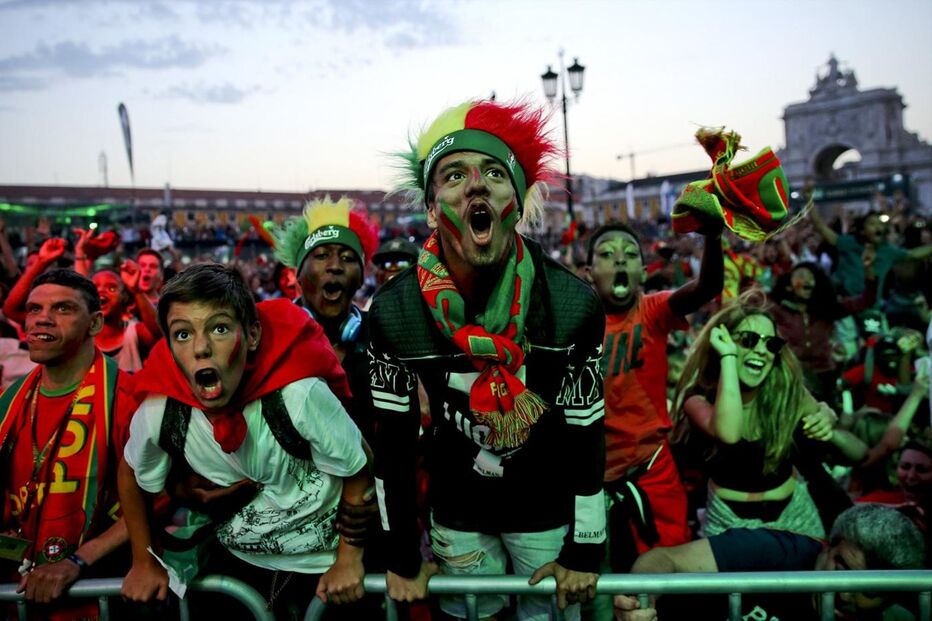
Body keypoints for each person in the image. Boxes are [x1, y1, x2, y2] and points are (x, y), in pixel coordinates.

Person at [371, 99, 606, 620]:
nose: (476, 184)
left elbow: (587, 431)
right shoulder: (396, 312)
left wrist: (586, 547)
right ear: (432, 209)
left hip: (546, 511)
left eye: (495, 174)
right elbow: (392, 445)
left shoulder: (569, 305)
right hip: (459, 515)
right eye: (454, 175)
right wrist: (403, 556)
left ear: (517, 201)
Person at [118, 264, 371, 619]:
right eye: (183, 334)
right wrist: (143, 561)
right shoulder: (162, 413)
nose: (201, 348)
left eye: (219, 328)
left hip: (324, 568)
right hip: (238, 566)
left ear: (251, 336)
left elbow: (359, 467)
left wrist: (348, 559)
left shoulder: (299, 396)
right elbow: (130, 472)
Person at [585, 221, 723, 572]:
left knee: (663, 581)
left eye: (630, 255)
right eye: (606, 254)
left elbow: (708, 286)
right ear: (588, 273)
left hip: (651, 473)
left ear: (643, 273)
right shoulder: (572, 320)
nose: (619, 261)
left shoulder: (653, 311)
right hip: (588, 480)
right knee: (595, 588)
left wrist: (713, 234)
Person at [671, 290, 865, 540]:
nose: (762, 351)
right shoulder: (698, 398)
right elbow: (729, 432)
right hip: (728, 522)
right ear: (722, 343)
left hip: (793, 518)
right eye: (749, 340)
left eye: (771, 344)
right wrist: (728, 358)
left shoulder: (786, 395)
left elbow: (860, 454)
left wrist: (827, 424)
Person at [1, 269, 133, 620]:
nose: (42, 318)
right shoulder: (9, 402)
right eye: (33, 309)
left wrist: (77, 560)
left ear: (94, 324)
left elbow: (154, 502)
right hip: (17, 596)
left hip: (97, 597)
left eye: (62, 309)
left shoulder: (127, 398)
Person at [613, 503, 926, 621]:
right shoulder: (771, 550)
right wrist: (641, 599)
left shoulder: (899, 615)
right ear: (829, 546)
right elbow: (664, 558)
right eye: (842, 569)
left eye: (869, 591)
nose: (846, 594)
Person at [274, 196, 379, 440]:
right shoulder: (270, 337)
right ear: (298, 275)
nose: (335, 266)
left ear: (362, 278)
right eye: (321, 255)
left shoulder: (383, 337)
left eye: (348, 257)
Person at [769, 259, 876, 403]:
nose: (807, 279)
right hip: (789, 374)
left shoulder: (826, 311)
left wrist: (869, 271)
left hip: (824, 376)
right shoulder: (778, 311)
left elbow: (866, 301)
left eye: (811, 277)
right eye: (801, 275)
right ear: (788, 285)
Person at [90, 262, 162, 372]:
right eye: (95, 288)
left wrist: (136, 290)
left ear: (123, 297)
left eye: (112, 288)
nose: (101, 291)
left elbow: (161, 331)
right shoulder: (80, 336)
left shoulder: (134, 333)